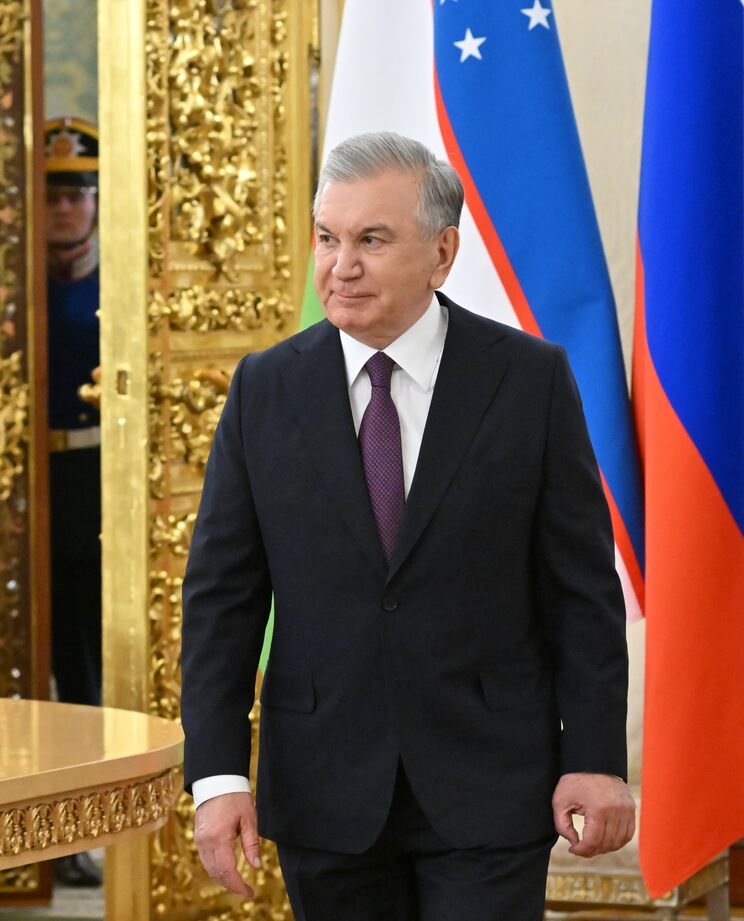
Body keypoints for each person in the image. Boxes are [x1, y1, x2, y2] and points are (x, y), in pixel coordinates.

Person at [179, 132, 634, 920]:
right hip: (327, 789)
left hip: (490, 782)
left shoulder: (529, 381)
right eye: (328, 237)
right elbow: (221, 599)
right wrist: (218, 777)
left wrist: (594, 757)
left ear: (443, 251)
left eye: (372, 240)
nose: (340, 266)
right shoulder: (266, 389)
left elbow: (582, 592)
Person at [43, 115, 104, 888]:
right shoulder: (5, 293)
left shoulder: (109, 291)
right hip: (21, 492)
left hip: (92, 489)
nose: (63, 207)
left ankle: (84, 832)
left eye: (77, 192)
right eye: (52, 193)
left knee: (87, 669)